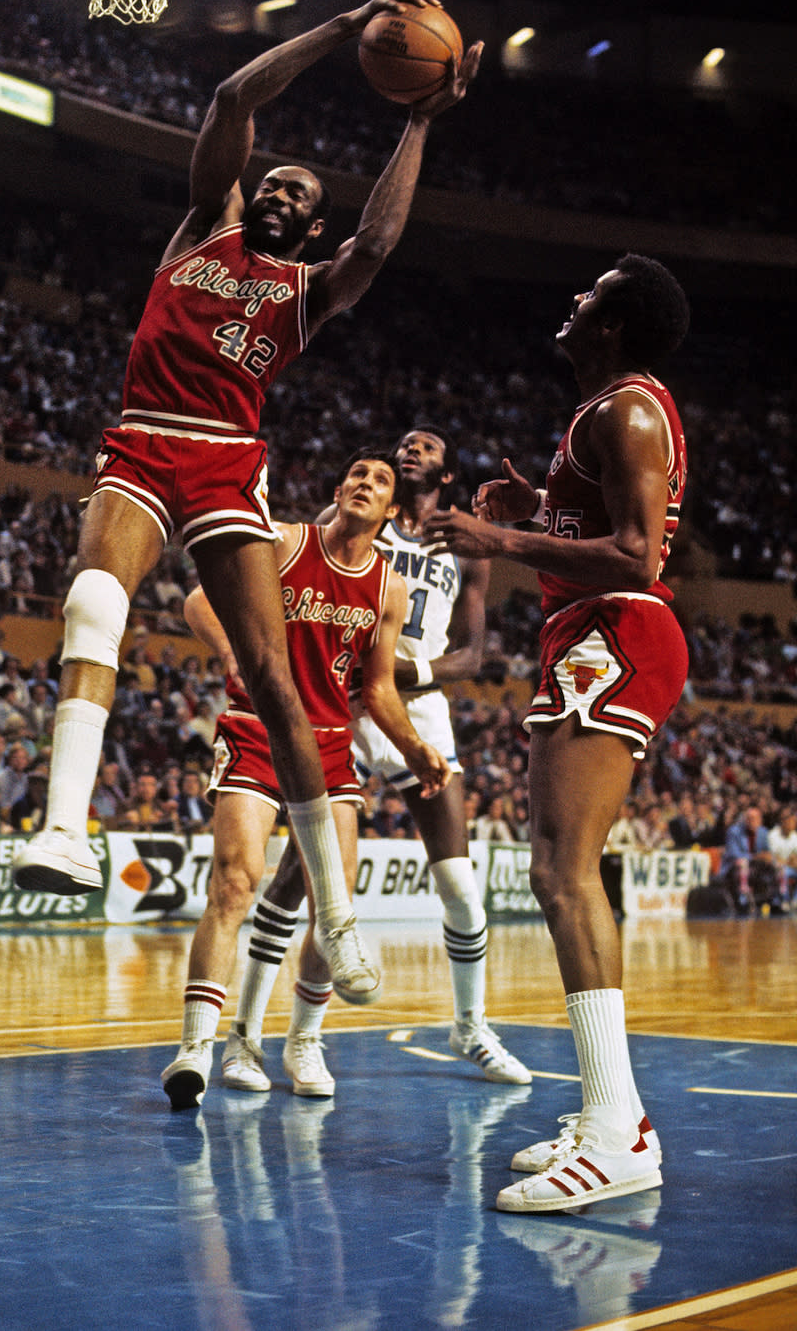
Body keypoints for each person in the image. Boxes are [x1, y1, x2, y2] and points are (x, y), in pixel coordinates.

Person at [12, 0, 482, 1007]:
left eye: (298, 193)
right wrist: (341, 25)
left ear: (309, 223)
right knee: (96, 602)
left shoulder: (303, 291)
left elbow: (377, 246)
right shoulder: (200, 230)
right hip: (143, 441)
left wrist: (415, 121)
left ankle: (340, 923)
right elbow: (230, 96)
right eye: (272, 180)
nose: (279, 191)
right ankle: (60, 829)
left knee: (276, 678)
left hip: (229, 462)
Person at [422, 253, 691, 1212]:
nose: (573, 300)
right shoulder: (608, 410)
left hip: (617, 626)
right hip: (589, 628)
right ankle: (613, 1112)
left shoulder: (629, 409)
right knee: (557, 865)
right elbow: (595, 528)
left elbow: (638, 551)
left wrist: (502, 542)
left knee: (563, 870)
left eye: (592, 295)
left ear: (614, 326)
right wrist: (532, 512)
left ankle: (618, 1132)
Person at [225, 427, 529, 1093]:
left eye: (428, 447)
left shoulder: (466, 540)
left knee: (459, 883)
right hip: (342, 708)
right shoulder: (356, 513)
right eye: (405, 445)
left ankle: (471, 1024)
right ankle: (259, 1034)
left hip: (411, 705)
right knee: (303, 884)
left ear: (446, 476)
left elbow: (475, 656)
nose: (411, 449)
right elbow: (297, 566)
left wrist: (398, 671)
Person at [161, 449, 451, 1108]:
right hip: (256, 730)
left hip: (326, 744)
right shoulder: (287, 541)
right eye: (356, 474)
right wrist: (235, 651)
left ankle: (304, 1039)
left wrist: (414, 747)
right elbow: (200, 602)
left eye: (378, 480)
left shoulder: (388, 587)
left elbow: (376, 688)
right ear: (339, 488)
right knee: (234, 881)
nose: (364, 483)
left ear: (390, 508)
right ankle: (198, 1045)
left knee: (333, 903)